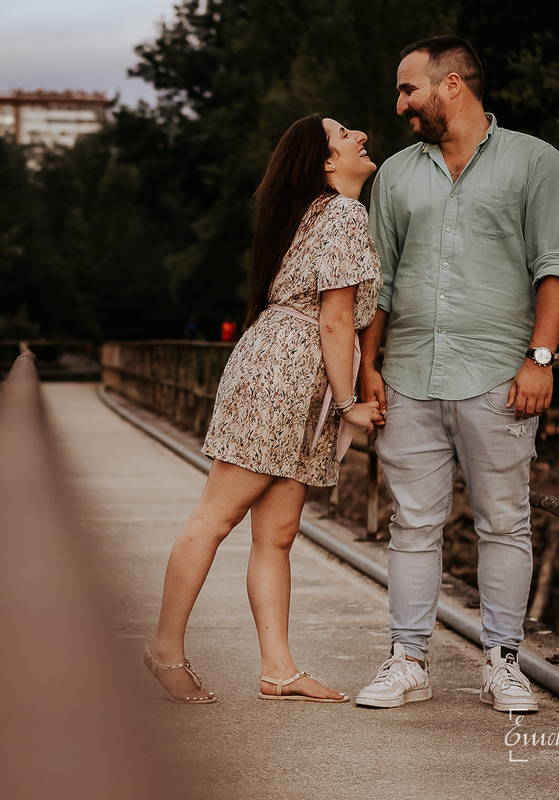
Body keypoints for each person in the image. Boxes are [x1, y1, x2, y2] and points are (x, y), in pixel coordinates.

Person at [354, 36, 559, 713]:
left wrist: (539, 360)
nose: (400, 105)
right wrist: (367, 366)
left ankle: (504, 663)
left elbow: (557, 268)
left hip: (498, 377)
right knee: (413, 524)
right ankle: (407, 660)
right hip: (411, 375)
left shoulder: (536, 162)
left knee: (504, 523)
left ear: (452, 85)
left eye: (408, 89)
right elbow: (380, 283)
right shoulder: (395, 175)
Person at [143, 114, 382, 704]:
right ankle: (163, 649)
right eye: (345, 134)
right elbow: (333, 317)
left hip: (296, 376)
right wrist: (350, 404)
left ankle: (278, 669)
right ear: (327, 163)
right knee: (216, 516)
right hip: (283, 375)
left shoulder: (318, 215)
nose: (361, 137)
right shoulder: (343, 214)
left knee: (277, 534)